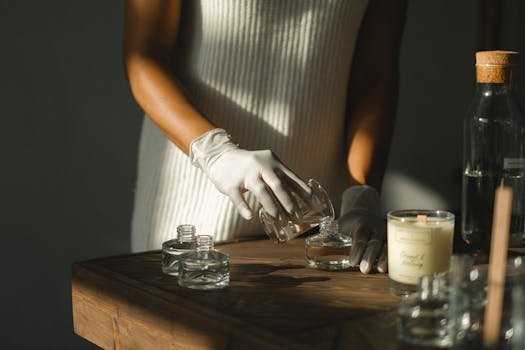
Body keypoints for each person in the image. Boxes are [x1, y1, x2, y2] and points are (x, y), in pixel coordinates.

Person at [123, 0, 406, 274]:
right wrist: (215, 152)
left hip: (320, 230)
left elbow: (373, 80)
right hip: (194, 218)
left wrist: (361, 197)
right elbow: (145, 59)